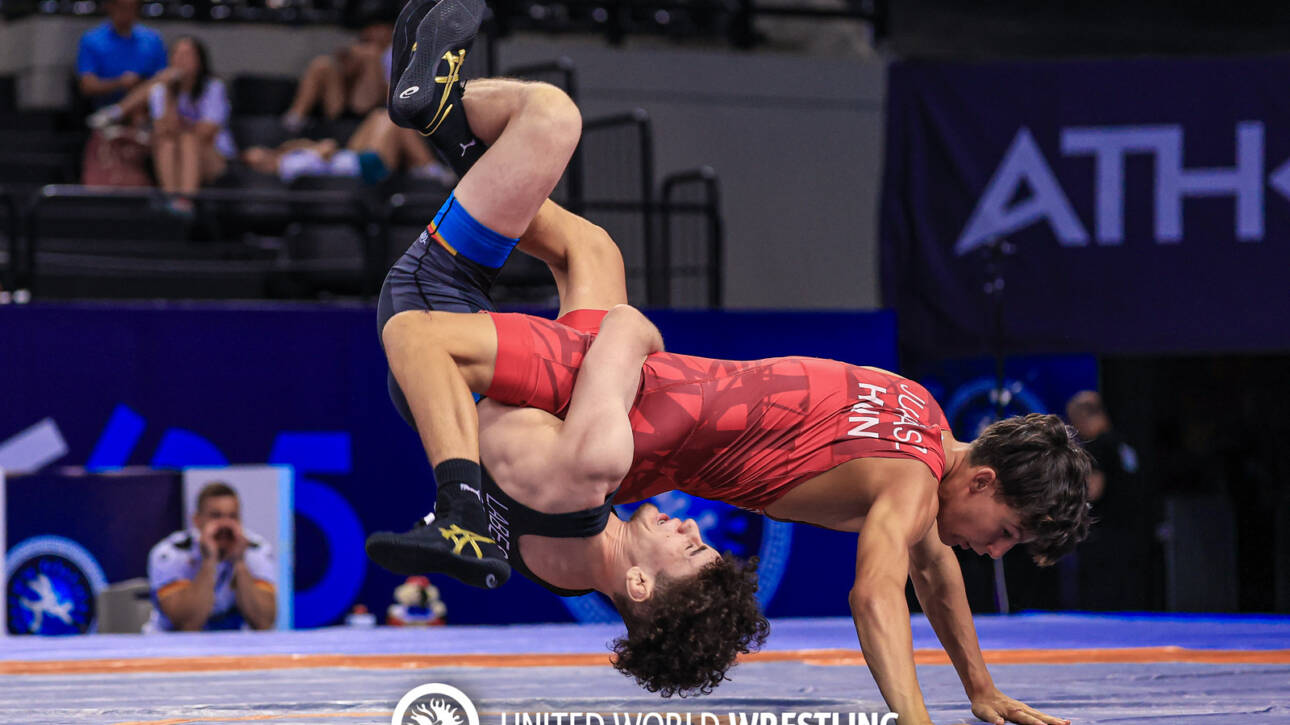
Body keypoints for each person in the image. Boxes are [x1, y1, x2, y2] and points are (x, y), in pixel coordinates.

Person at [366, 3, 1090, 719]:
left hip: (626, 399)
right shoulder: (914, 483)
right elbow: (879, 593)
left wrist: (979, 687)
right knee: (587, 247)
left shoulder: (919, 414)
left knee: (559, 213)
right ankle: (451, 133)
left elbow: (934, 572)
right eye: (1005, 532)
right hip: (623, 402)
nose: (993, 550)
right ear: (983, 479)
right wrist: (920, 717)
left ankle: (454, 134)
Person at [146, 482, 277, 631]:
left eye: (232, 516)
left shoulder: (256, 550)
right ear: (197, 520)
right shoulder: (171, 554)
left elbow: (263, 623)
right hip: (169, 641)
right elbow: (187, 625)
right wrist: (209, 561)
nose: (225, 525)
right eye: (216, 516)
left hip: (232, 641)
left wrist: (240, 562)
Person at [1066, 390, 1148, 610]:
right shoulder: (1124, 443)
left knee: (1103, 598)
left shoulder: (1097, 446)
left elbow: (1093, 491)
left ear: (1083, 417)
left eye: (1074, 422)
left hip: (1105, 536)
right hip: (1132, 532)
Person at [241, 108, 454, 185]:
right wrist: (314, 147)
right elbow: (326, 150)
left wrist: (298, 146)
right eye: (257, 160)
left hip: (350, 159)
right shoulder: (288, 168)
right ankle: (430, 169)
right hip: (361, 170)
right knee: (392, 121)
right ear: (260, 169)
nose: (261, 154)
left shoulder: (286, 157)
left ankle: (421, 167)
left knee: (377, 115)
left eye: (259, 151)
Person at [146, 37, 236, 214]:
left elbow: (206, 132)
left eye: (187, 55)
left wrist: (180, 128)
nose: (181, 60)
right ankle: (172, 202)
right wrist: (169, 93)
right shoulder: (161, 91)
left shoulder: (214, 88)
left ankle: (185, 202)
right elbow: (163, 130)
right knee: (166, 143)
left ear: (200, 60)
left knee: (189, 141)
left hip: (212, 157)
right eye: (176, 54)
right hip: (175, 154)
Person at [281, 18, 394, 133]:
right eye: (369, 28)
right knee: (321, 64)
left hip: (371, 108)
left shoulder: (391, 52)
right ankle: (294, 120)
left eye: (377, 27)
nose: (371, 32)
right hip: (341, 105)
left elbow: (393, 92)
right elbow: (347, 72)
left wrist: (371, 60)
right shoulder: (359, 46)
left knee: (371, 55)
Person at [76, 0, 168, 110]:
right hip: (105, 109)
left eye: (132, 7)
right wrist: (119, 83)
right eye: (122, 7)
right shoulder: (92, 40)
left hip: (147, 109)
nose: (126, 13)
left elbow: (164, 79)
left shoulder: (153, 40)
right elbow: (87, 86)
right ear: (110, 7)